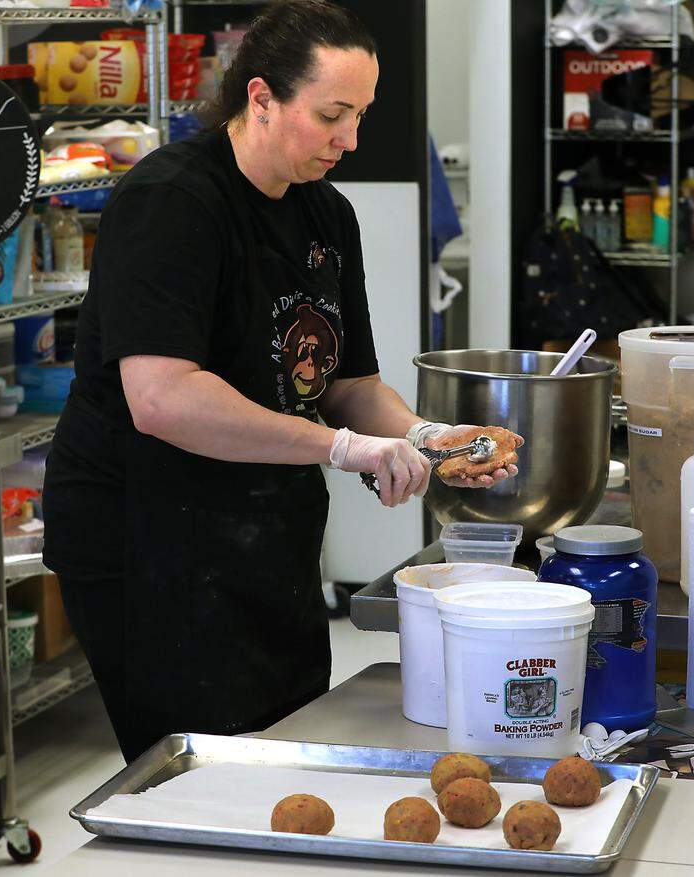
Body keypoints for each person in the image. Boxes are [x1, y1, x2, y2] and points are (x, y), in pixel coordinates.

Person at [43, 0, 520, 763]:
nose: (351, 140)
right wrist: (343, 449)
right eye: (332, 114)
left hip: (268, 532)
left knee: (288, 745)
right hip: (149, 539)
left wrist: (422, 436)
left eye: (361, 115)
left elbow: (350, 382)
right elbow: (162, 398)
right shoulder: (173, 202)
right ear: (259, 97)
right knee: (201, 769)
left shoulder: (325, 215)